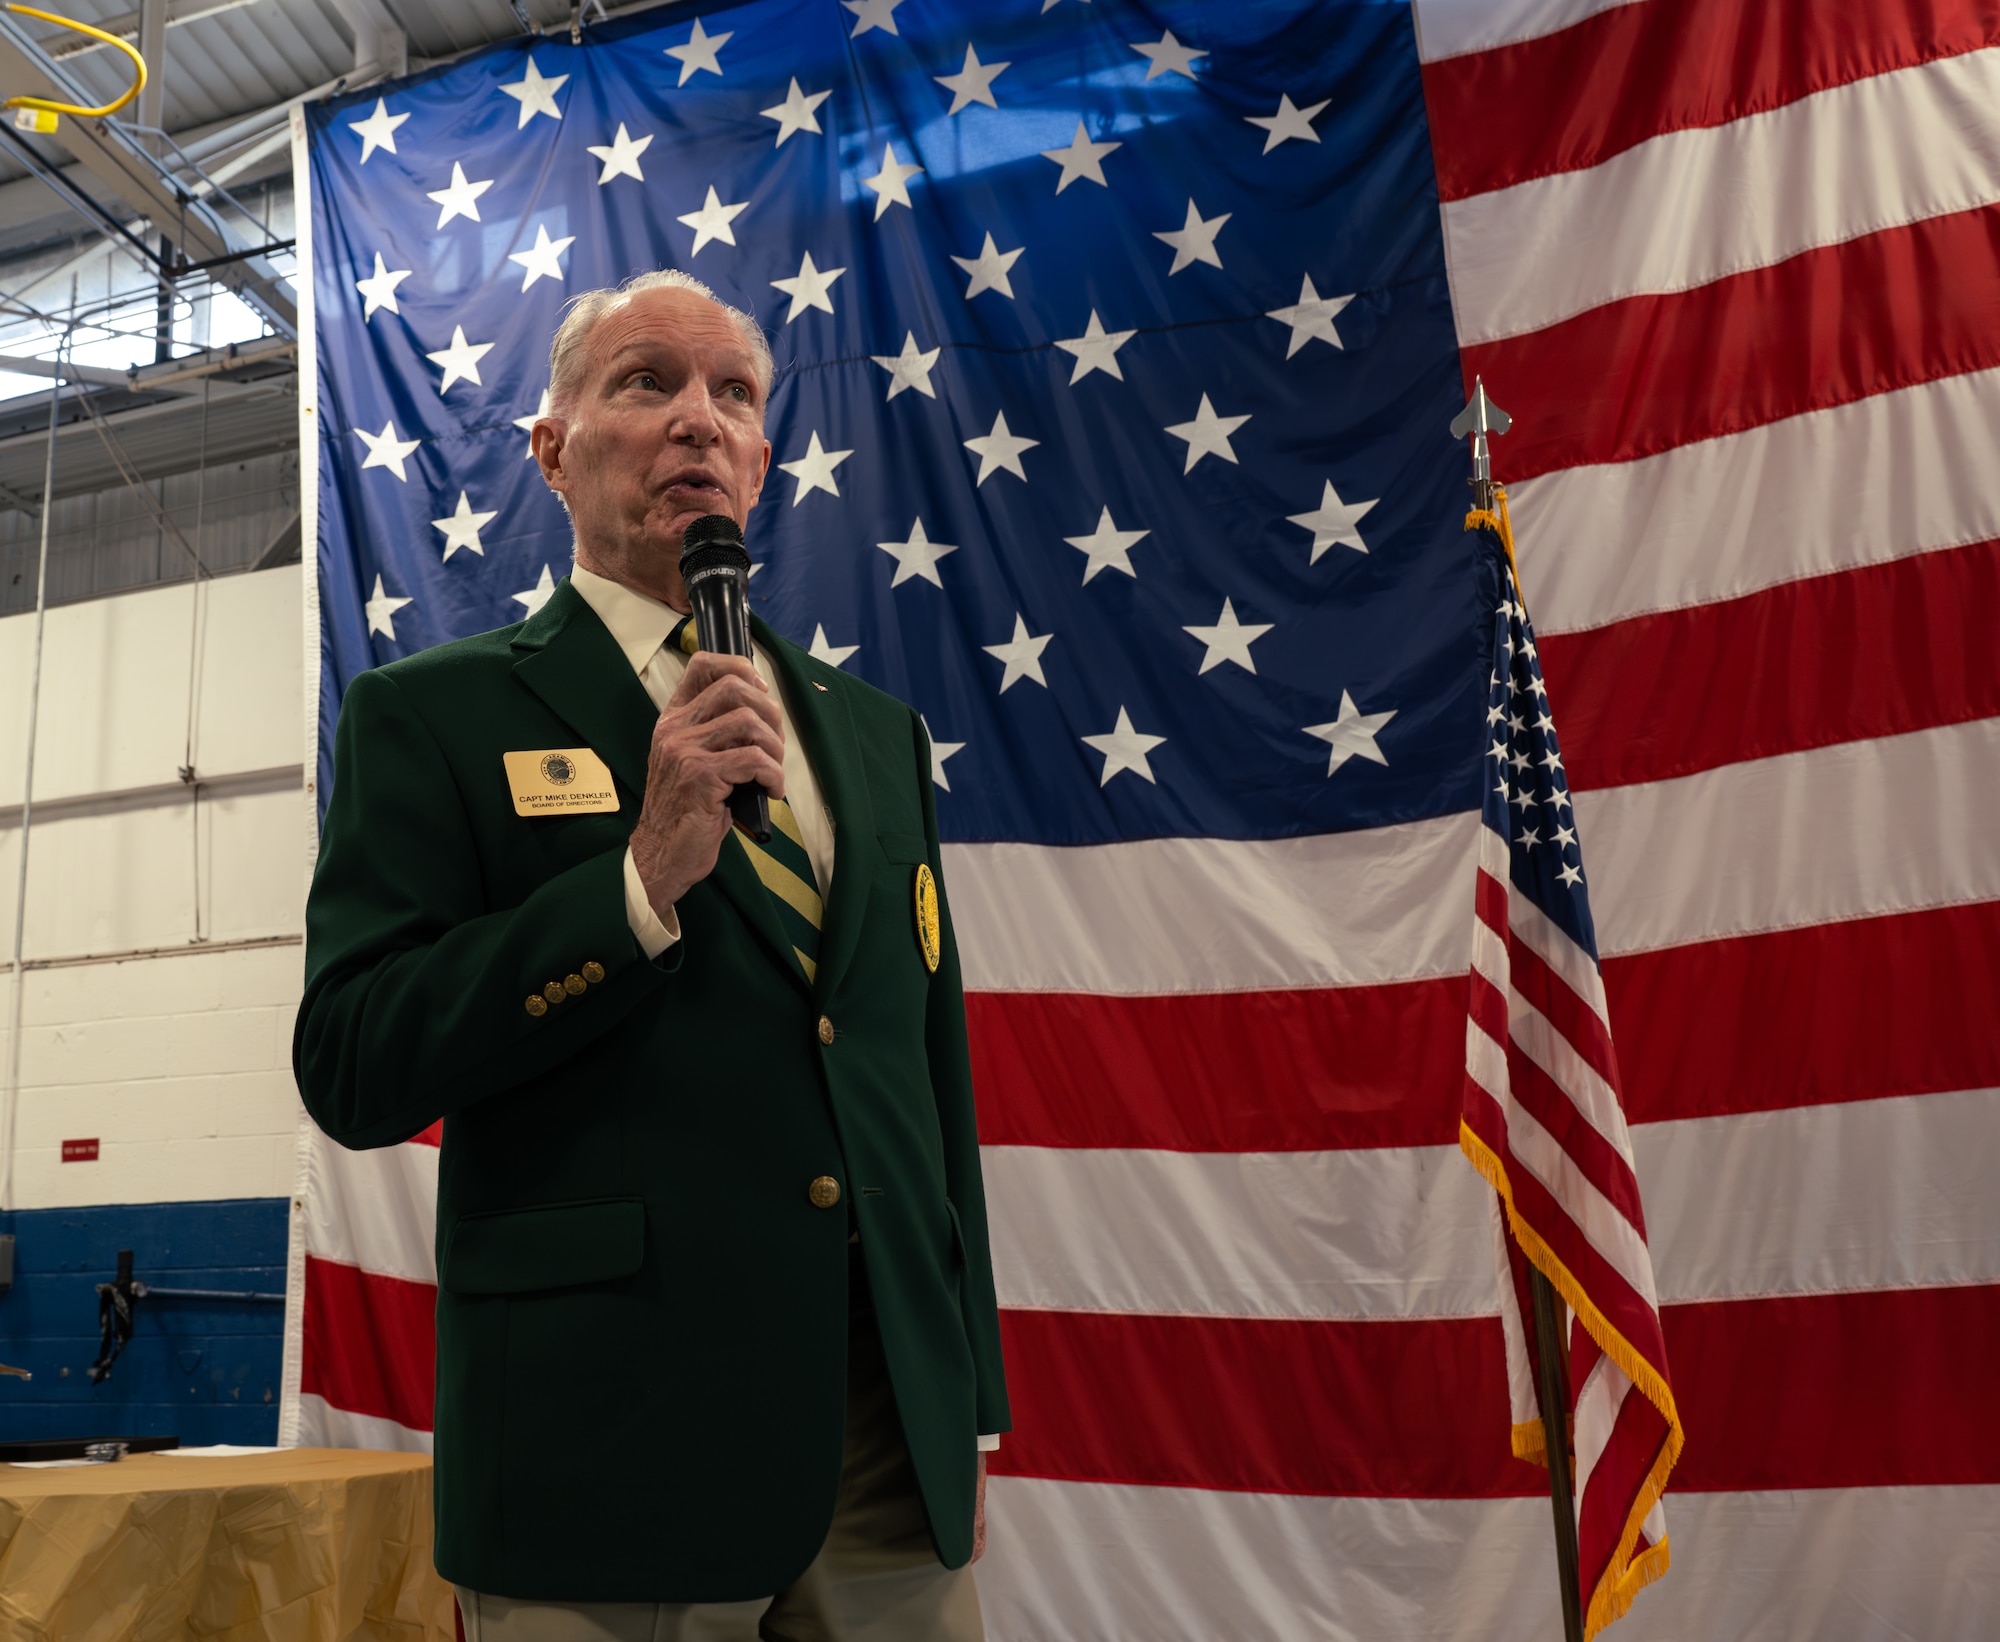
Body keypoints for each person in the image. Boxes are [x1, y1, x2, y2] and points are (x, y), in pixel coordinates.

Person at [294, 269, 1009, 1642]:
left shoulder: (873, 737)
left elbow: (928, 1083)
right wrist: (632, 890)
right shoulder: (431, 716)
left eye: (732, 395)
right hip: (604, 1442)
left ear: (762, 457)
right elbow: (353, 1058)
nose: (698, 421)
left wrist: (957, 1400)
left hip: (879, 1453)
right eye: (646, 382)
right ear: (554, 451)